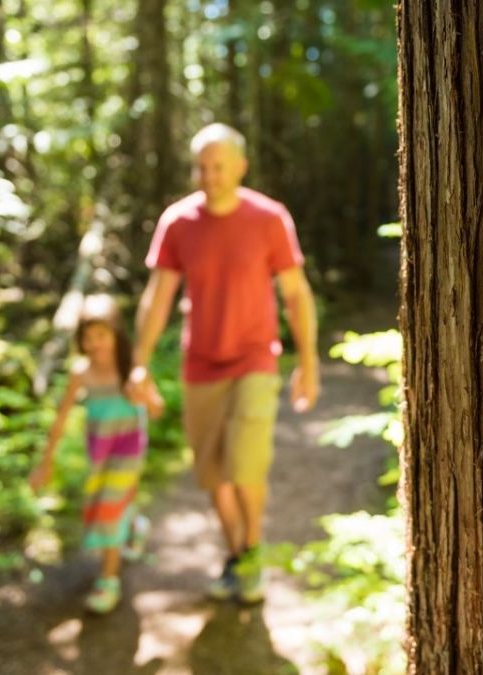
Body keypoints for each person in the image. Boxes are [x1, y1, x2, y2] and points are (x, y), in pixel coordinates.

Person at [126, 122, 320, 604]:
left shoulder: (269, 218)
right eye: (201, 167)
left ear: (240, 167)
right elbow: (158, 296)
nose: (209, 176)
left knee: (245, 467)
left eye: (218, 166)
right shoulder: (178, 222)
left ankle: (252, 554)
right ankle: (237, 554)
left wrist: (309, 362)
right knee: (212, 475)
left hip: (255, 360)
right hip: (200, 365)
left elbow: (295, 293)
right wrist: (140, 363)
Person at [30, 293, 163, 614]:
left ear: (116, 332)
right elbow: (61, 418)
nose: (94, 343)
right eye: (87, 337)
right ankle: (134, 526)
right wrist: (45, 463)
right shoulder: (81, 371)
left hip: (128, 447)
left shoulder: (132, 366)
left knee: (106, 510)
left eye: (100, 335)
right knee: (112, 501)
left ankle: (108, 581)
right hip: (100, 449)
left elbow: (157, 409)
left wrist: (142, 393)